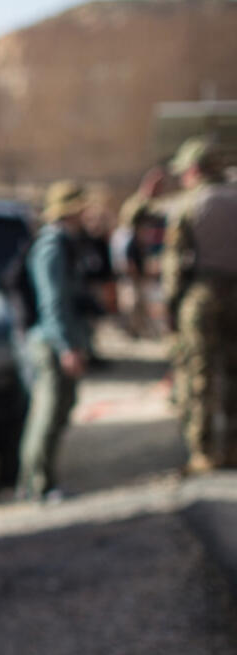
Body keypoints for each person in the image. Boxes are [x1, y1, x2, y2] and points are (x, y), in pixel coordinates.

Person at [162, 136, 237, 473]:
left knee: (200, 374)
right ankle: (233, 446)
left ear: (195, 169)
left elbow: (175, 261)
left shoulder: (189, 203)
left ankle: (203, 451)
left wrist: (171, 305)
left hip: (203, 296)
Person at [15, 181, 92, 501]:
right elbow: (53, 302)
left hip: (58, 340)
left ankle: (38, 482)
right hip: (50, 342)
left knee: (60, 409)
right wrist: (66, 347)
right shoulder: (52, 246)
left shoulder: (63, 243)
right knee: (47, 413)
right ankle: (38, 484)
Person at [113, 166, 168, 338]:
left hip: (140, 259)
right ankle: (132, 330)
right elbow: (126, 238)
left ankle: (140, 330)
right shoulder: (135, 209)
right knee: (132, 300)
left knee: (143, 300)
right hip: (131, 260)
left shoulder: (151, 208)